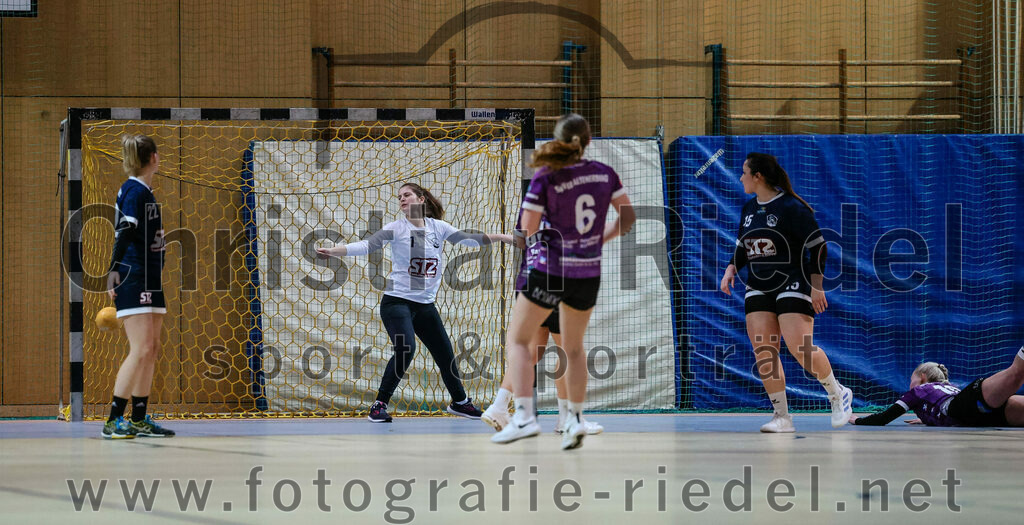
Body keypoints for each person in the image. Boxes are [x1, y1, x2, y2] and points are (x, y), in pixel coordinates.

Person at [490, 113, 635, 450]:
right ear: (588, 141)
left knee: (520, 341)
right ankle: (575, 419)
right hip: (588, 271)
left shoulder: (546, 176)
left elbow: (526, 230)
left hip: (551, 270)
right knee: (573, 348)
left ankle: (524, 417)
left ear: (556, 139)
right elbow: (628, 218)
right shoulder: (605, 173)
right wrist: (599, 240)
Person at [317, 182, 513, 422]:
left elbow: (469, 240)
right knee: (406, 347)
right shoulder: (395, 229)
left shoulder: (438, 227)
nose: (402, 199)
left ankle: (460, 402)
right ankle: (379, 405)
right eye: (399, 197)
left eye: (407, 195)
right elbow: (368, 245)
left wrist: (504, 237)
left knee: (445, 355)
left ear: (421, 200)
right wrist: (335, 251)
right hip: (397, 303)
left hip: (425, 306)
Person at [719, 152, 852, 433]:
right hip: (758, 283)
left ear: (758, 176)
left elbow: (818, 247)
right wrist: (731, 267)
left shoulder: (792, 207)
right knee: (764, 351)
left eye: (744, 172)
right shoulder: (748, 209)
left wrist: (817, 287)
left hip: (793, 279)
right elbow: (744, 245)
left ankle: (837, 393)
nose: (741, 177)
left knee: (800, 348)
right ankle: (782, 417)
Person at [480, 216, 603, 436]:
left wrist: (499, 236)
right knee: (568, 352)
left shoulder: (531, 206)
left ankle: (498, 406)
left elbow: (522, 241)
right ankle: (570, 419)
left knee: (530, 352)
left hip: (529, 284)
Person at [102, 134, 175, 439]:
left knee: (152, 348)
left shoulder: (144, 190)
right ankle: (113, 419)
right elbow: (125, 231)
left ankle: (139, 418)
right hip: (135, 275)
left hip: (150, 277)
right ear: (154, 158)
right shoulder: (134, 190)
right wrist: (113, 270)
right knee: (140, 348)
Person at [851, 348, 1024, 427]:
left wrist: (855, 419)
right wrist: (928, 417)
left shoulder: (918, 391)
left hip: (966, 408)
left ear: (922, 378)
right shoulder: (949, 390)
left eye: (912, 379)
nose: (909, 385)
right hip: (977, 414)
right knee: (1015, 381)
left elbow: (883, 418)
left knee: (1016, 374)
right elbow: (943, 408)